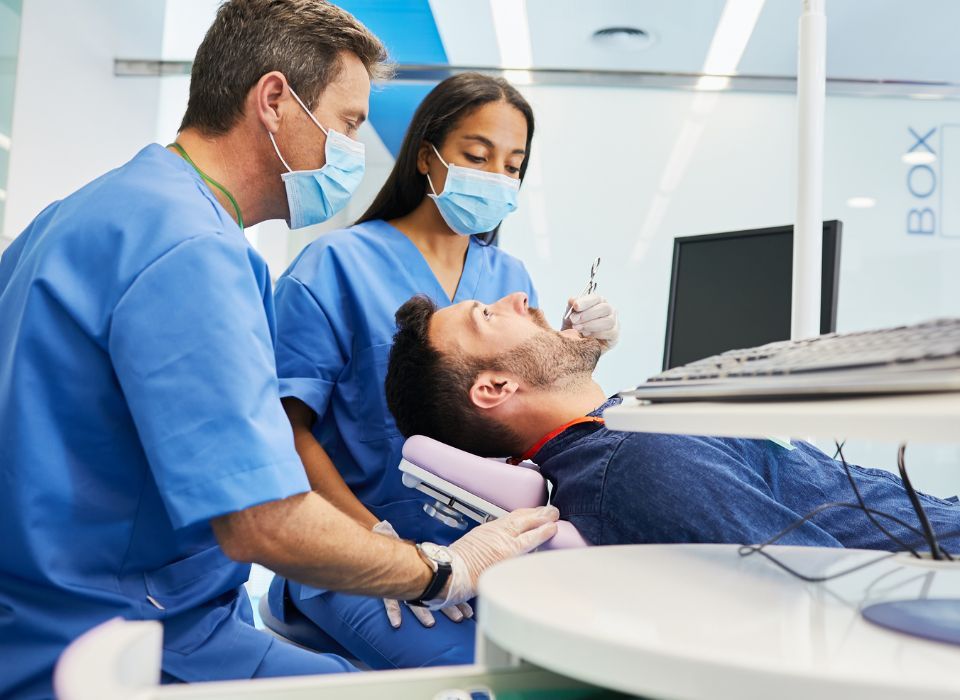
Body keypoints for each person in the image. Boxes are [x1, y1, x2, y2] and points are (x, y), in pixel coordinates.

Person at [0, 4, 559, 697]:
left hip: (47, 609)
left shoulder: (88, 213)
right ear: (273, 101)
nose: (353, 146)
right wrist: (438, 569)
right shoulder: (194, 252)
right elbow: (262, 521)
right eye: (350, 122)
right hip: (125, 629)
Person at [267, 71, 620, 669]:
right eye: (477, 156)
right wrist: (387, 550)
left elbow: (525, 416)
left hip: (488, 545)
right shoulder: (334, 264)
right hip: (355, 547)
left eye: (513, 166)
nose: (496, 178)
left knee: (588, 660)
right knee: (488, 677)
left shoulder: (509, 276)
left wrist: (584, 351)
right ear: (428, 158)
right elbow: (284, 429)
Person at [383, 292, 960, 553]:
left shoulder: (622, 438)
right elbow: (827, 588)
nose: (516, 297)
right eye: (488, 315)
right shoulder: (642, 461)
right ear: (496, 389)